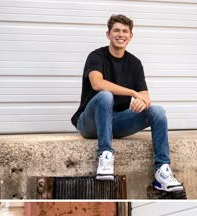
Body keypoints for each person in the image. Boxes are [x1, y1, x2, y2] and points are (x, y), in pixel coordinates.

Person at [71, 14, 183, 192]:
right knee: (105, 96)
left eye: (125, 31)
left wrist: (142, 102)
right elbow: (97, 84)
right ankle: (105, 156)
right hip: (90, 124)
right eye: (116, 30)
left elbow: (146, 97)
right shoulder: (96, 56)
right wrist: (132, 93)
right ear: (108, 34)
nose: (120, 34)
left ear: (131, 36)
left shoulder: (135, 63)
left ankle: (162, 171)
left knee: (158, 111)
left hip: (116, 122)